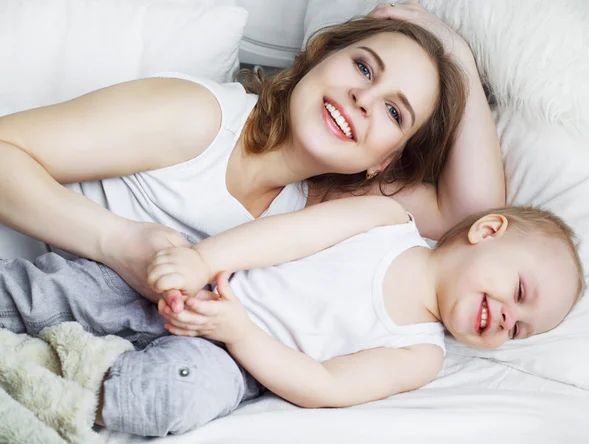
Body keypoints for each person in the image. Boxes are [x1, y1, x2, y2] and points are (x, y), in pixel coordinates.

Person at [0, 2, 504, 312]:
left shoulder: (317, 211)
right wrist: (119, 242)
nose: (363, 100)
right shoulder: (198, 118)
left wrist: (456, 55)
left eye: (394, 112)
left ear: (383, 164)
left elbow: (474, 218)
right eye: (364, 68)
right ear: (320, 58)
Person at [0, 197, 583, 435]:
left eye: (519, 329)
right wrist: (199, 262)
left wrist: (239, 332)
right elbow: (282, 236)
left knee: (175, 396)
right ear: (487, 230)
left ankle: (53, 390)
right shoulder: (386, 220)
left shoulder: (422, 353)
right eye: (519, 292)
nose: (506, 319)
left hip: (234, 356)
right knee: (75, 289)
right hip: (214, 280)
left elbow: (324, 386)